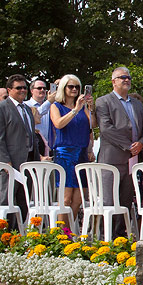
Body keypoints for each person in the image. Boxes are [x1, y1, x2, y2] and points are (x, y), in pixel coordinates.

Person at [95, 67, 143, 229]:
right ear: (113, 82)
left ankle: (121, 237)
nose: (126, 80)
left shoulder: (137, 104)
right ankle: (107, 239)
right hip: (111, 159)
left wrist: (141, 143)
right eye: (122, 77)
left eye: (128, 77)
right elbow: (106, 129)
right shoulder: (103, 101)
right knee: (110, 202)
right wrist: (128, 146)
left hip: (132, 160)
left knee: (126, 200)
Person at [47, 75, 95, 219]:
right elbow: (58, 124)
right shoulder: (56, 106)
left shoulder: (83, 107)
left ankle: (69, 230)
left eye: (77, 87)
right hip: (65, 153)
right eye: (71, 86)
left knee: (79, 197)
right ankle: (63, 234)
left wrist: (90, 108)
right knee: (66, 198)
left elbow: (92, 126)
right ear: (63, 88)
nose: (74, 89)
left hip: (81, 153)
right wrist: (74, 110)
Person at [0, 75, 39, 170]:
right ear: (9, 90)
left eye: (24, 87)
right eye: (18, 88)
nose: (23, 90)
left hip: (29, 162)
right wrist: (5, 163)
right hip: (11, 164)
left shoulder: (27, 109)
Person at [26, 78, 53, 155]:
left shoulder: (51, 106)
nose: (42, 90)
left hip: (48, 147)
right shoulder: (26, 105)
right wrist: (49, 101)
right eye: (39, 88)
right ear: (32, 90)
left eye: (44, 88)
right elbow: (34, 116)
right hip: (34, 147)